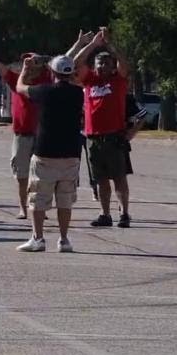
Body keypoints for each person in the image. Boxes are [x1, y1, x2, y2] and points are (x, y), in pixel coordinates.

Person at [0, 30, 48, 220]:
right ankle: (23, 208)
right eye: (25, 62)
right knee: (22, 175)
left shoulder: (45, 80)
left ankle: (40, 209)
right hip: (21, 135)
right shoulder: (16, 80)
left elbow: (67, 60)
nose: (27, 64)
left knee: (41, 176)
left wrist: (80, 44)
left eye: (32, 61)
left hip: (40, 135)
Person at [14, 55, 84, 253]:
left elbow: (20, 87)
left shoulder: (44, 91)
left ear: (53, 72)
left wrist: (25, 70)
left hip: (45, 152)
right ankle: (63, 239)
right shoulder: (78, 93)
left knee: (38, 197)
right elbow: (77, 80)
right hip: (71, 152)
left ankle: (38, 238)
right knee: (65, 199)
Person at [71, 28, 135, 228]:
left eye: (107, 63)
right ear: (95, 65)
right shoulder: (89, 80)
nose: (103, 66)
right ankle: (105, 214)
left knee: (119, 177)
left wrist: (110, 45)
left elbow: (125, 65)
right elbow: (75, 64)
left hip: (114, 136)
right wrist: (92, 45)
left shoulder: (118, 80)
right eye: (100, 62)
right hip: (93, 137)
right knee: (100, 179)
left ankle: (124, 213)